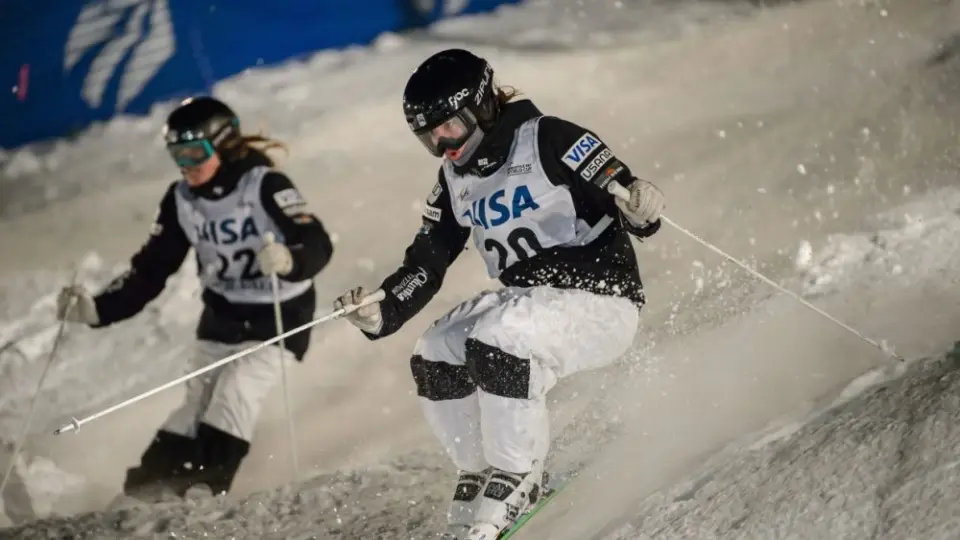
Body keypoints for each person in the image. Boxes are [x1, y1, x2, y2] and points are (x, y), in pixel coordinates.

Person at [333, 49, 665, 539]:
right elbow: (427, 259)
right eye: (428, 137)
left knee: (498, 337)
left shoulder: (549, 138)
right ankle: (483, 471)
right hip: (533, 306)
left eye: (449, 127)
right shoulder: (453, 178)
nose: (442, 145)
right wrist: (384, 308)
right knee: (437, 350)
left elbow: (624, 196)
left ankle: (519, 473)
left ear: (483, 105)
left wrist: (642, 210)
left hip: (601, 301)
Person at [55, 96, 334, 501]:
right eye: (176, 154)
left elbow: (318, 242)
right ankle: (149, 486)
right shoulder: (182, 200)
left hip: (279, 316)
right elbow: (151, 269)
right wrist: (99, 308)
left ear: (222, 145)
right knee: (198, 401)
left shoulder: (264, 185)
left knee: (237, 389)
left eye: (194, 153)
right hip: (221, 317)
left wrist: (292, 258)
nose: (185, 164)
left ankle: (206, 485)